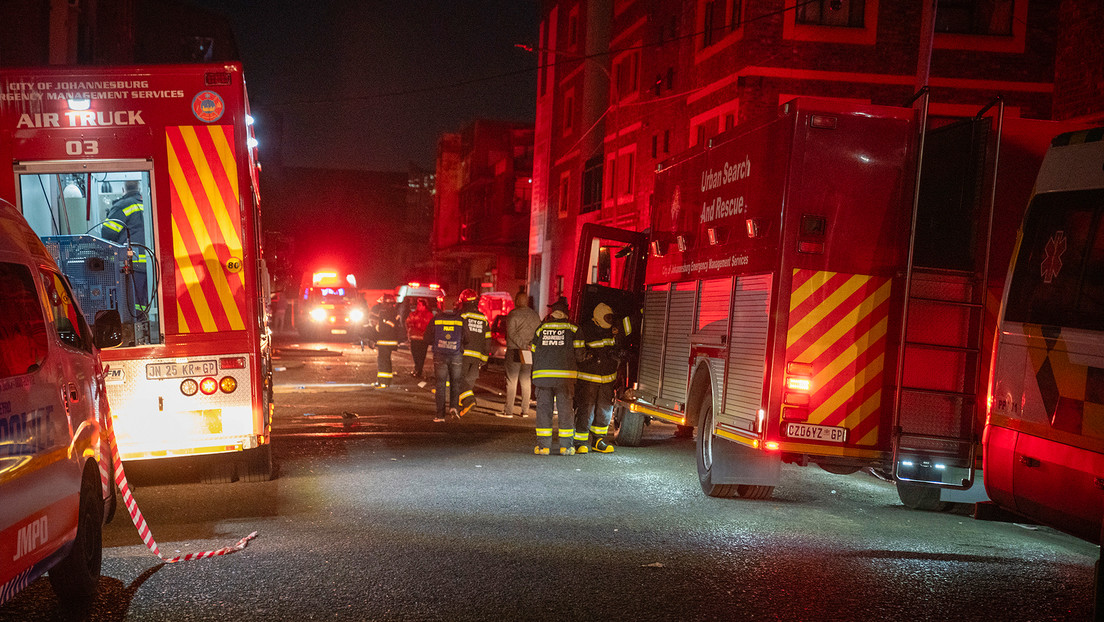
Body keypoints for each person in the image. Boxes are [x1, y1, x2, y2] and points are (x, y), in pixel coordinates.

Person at [531, 297, 583, 456]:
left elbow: (534, 350)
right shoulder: (573, 329)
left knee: (544, 411)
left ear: (552, 313)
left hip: (543, 377)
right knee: (565, 411)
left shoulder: (541, 328)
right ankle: (566, 447)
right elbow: (580, 354)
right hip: (564, 378)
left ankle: (543, 447)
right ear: (566, 313)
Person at [573, 302, 620, 454]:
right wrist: (590, 357)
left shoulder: (612, 331)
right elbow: (579, 353)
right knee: (586, 410)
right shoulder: (585, 330)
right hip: (589, 379)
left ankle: (598, 440)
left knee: (605, 410)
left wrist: (619, 354)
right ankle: (580, 442)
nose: (609, 320)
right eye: (607, 317)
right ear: (599, 317)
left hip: (607, 379)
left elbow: (616, 347)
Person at [101, 179, 147, 309]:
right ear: (139, 189)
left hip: (133, 264)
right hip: (149, 264)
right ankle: (147, 325)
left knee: (134, 304)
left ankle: (137, 326)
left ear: (123, 190)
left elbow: (107, 232)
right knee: (146, 301)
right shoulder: (148, 205)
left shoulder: (123, 205)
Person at [497, 292, 540, 418]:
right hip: (528, 352)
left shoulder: (513, 314)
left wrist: (522, 344)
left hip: (515, 350)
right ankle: (525, 410)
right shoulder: (535, 315)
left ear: (517, 301)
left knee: (512, 380)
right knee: (526, 380)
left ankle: (508, 411)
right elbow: (538, 333)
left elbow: (511, 333)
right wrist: (529, 345)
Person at [427, 298, 464, 422]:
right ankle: (454, 407)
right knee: (455, 383)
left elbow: (426, 337)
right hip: (456, 354)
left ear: (441, 306)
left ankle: (440, 415)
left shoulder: (436, 319)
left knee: (440, 384)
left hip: (440, 355)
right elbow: (467, 338)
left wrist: (436, 342)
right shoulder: (460, 320)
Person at [457, 289, 489, 417]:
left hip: (463, 354)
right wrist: (485, 357)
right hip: (477, 357)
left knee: (459, 380)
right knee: (468, 381)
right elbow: (487, 339)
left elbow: (457, 334)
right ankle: (462, 404)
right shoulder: (483, 318)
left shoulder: (462, 315)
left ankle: (469, 401)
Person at [369, 293, 402, 387]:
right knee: (387, 361)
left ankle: (382, 382)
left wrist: (376, 329)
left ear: (386, 303)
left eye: (382, 303)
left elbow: (383, 328)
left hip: (384, 341)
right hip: (390, 341)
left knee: (382, 362)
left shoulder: (384, 313)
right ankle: (386, 381)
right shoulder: (395, 312)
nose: (381, 305)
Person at [405, 298, 434, 379]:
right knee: (415, 354)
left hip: (423, 339)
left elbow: (431, 327)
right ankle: (416, 368)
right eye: (418, 305)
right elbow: (407, 322)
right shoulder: (413, 314)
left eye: (420, 305)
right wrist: (409, 331)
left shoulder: (429, 315)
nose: (418, 306)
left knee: (421, 355)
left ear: (424, 306)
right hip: (414, 338)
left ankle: (419, 370)